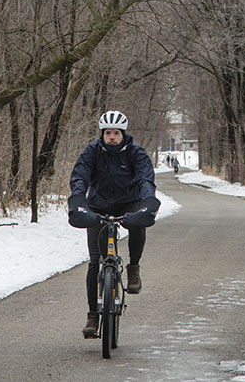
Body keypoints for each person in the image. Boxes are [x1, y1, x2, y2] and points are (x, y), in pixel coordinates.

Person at [68, 110, 159, 338]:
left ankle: (134, 267)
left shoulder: (136, 153)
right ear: (102, 133)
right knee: (95, 261)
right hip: (98, 206)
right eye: (108, 133)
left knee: (138, 223)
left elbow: (146, 179)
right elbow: (80, 177)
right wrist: (79, 200)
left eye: (116, 133)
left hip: (128, 203)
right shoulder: (92, 152)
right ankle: (92, 316)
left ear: (123, 133)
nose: (111, 137)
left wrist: (147, 201)